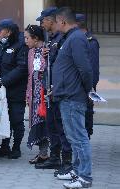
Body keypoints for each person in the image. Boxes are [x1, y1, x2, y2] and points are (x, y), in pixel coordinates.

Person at [53, 7, 93, 188]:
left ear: (62, 21)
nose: (55, 25)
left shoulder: (76, 38)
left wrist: (88, 90)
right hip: (67, 95)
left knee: (79, 138)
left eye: (56, 21)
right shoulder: (70, 38)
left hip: (73, 97)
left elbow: (85, 69)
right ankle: (76, 171)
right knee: (74, 138)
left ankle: (84, 177)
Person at [34, 7, 73, 173]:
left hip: (58, 90)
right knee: (52, 126)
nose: (42, 24)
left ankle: (67, 161)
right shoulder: (50, 38)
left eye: (43, 20)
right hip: (49, 89)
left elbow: (63, 63)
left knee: (61, 127)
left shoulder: (62, 37)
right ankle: (55, 157)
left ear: (51, 20)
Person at [0, 19, 28, 159]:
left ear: (9, 32)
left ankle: (16, 148)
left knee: (16, 119)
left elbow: (22, 68)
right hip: (2, 92)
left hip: (16, 90)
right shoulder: (0, 43)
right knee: (3, 119)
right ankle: (4, 147)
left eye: (1, 30)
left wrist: (5, 80)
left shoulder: (21, 45)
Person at [24, 24, 50, 164]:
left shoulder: (47, 51)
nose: (26, 41)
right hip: (34, 95)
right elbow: (30, 75)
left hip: (44, 95)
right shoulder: (31, 53)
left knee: (45, 123)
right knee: (36, 123)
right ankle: (42, 153)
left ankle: (48, 153)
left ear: (35, 38)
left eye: (27, 38)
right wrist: (28, 93)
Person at [76, 13, 100, 139]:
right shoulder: (77, 39)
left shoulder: (90, 41)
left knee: (85, 121)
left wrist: (91, 89)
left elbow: (93, 68)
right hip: (76, 87)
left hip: (86, 87)